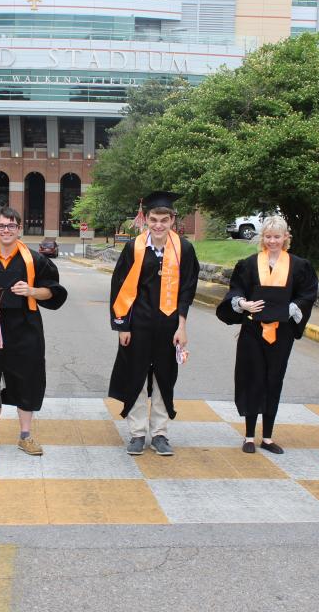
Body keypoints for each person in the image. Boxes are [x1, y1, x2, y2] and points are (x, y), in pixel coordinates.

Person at [0, 206, 67, 456]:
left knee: (27, 379)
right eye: (1, 226)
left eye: (11, 226)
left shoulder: (35, 260)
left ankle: (25, 436)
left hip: (26, 330)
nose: (6, 230)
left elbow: (54, 292)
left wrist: (32, 291)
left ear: (19, 229)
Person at [108, 191, 200, 456]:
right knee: (135, 376)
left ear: (173, 220)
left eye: (164, 220)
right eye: (153, 219)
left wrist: (182, 326)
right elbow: (120, 287)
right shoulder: (134, 247)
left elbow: (187, 289)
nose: (158, 225)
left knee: (164, 379)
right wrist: (122, 326)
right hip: (137, 325)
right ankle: (137, 433)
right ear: (145, 219)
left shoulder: (184, 248)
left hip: (169, 326)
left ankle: (159, 433)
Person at [216, 216, 318, 454]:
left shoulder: (299, 265)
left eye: (277, 236)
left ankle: (268, 437)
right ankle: (249, 436)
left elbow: (307, 293)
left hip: (281, 333)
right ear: (263, 238)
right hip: (252, 331)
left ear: (286, 238)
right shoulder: (250, 264)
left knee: (274, 380)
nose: (273, 241)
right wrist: (242, 303)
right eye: (269, 236)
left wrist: (296, 307)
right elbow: (237, 289)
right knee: (252, 379)